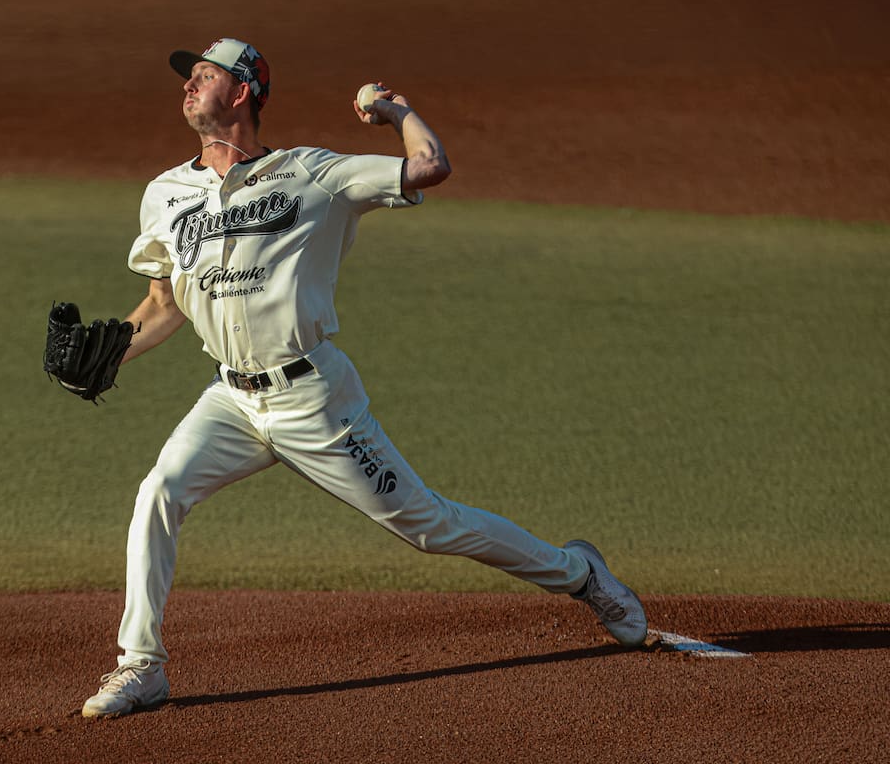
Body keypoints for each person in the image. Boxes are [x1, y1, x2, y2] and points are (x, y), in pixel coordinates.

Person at [80, 38, 647, 719]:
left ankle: (580, 574)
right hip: (230, 400)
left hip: (312, 400)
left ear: (243, 91)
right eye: (188, 77)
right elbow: (163, 303)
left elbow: (430, 166)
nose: (188, 86)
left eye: (204, 75)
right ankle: (141, 665)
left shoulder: (312, 174)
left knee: (429, 527)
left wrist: (396, 111)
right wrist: (107, 356)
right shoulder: (165, 194)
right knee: (159, 492)